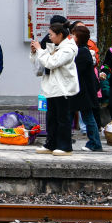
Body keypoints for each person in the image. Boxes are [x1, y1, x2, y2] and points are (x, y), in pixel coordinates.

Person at [31, 20, 79, 156]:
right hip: (52, 88)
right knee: (51, 118)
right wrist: (35, 52)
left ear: (60, 35)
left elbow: (51, 62)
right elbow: (41, 65)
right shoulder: (57, 47)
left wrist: (40, 50)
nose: (50, 37)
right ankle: (51, 143)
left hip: (63, 88)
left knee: (63, 119)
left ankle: (65, 147)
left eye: (51, 34)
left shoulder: (68, 49)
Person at [70, 25, 103, 152]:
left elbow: (76, 71)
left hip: (83, 91)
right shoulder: (83, 50)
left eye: (73, 35)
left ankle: (95, 143)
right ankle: (94, 142)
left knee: (87, 117)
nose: (71, 37)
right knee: (85, 116)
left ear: (78, 38)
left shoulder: (81, 52)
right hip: (83, 90)